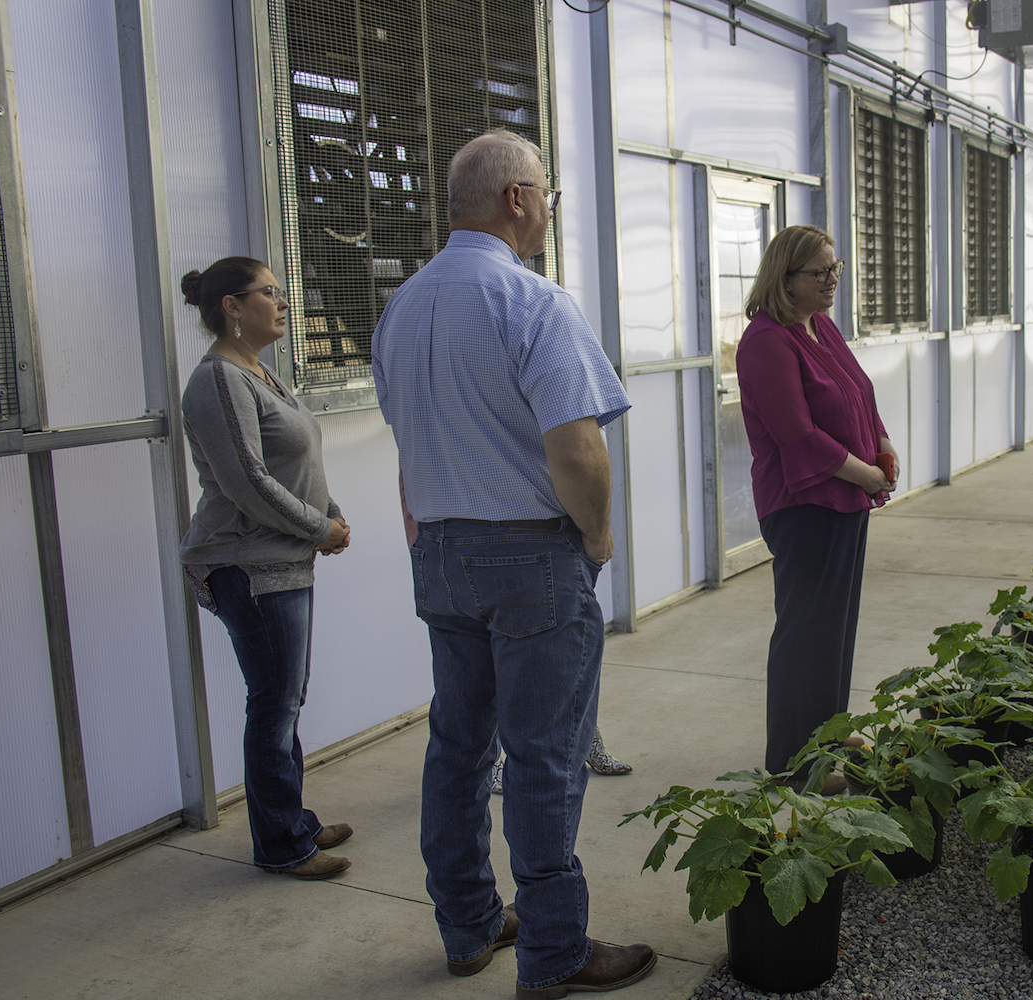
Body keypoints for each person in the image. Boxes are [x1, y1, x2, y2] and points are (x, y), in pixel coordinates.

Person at [372, 129, 656, 997]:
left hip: (442, 551)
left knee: (459, 747)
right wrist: (599, 538)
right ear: (516, 199)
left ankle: (467, 926)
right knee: (544, 756)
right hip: (530, 554)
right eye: (548, 195)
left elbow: (409, 440)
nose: (548, 211)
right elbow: (577, 450)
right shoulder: (533, 302)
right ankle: (554, 951)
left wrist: (426, 534)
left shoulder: (403, 306)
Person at [177, 257, 354, 880]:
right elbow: (248, 482)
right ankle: (282, 844)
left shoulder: (260, 372)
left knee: (283, 700)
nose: (281, 303)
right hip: (247, 566)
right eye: (269, 293)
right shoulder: (219, 380)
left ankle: (291, 820)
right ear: (232, 305)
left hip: (281, 559)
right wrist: (318, 528)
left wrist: (329, 515)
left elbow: (296, 458)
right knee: (274, 705)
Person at [734, 225, 897, 795]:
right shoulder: (766, 341)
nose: (832, 280)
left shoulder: (819, 326)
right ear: (786, 278)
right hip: (804, 504)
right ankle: (791, 761)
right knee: (806, 632)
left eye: (836, 268)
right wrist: (869, 472)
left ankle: (827, 732)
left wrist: (882, 444)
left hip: (845, 498)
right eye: (820, 272)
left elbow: (857, 393)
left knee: (837, 628)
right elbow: (797, 435)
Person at [397, 473, 632, 797]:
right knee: (529, 710)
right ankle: (503, 764)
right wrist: (597, 535)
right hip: (519, 545)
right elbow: (576, 457)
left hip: (453, 548)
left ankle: (588, 740)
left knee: (467, 722)